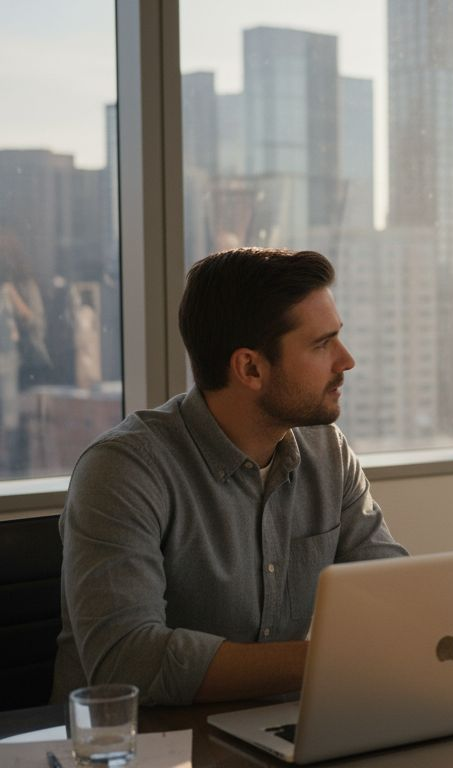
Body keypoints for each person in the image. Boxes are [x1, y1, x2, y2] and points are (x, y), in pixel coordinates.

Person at [52, 247, 408, 706]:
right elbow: (129, 661)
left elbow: (394, 594)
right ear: (250, 368)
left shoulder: (328, 453)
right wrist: (327, 661)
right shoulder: (123, 469)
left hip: (274, 734)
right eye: (322, 344)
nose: (346, 361)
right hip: (137, 747)